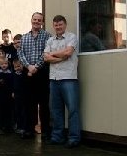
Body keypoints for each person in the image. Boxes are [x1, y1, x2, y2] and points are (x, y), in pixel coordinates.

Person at [43, 15, 81, 148]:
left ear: (65, 24)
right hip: (54, 79)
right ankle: (57, 137)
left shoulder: (72, 37)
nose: (58, 27)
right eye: (56, 25)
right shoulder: (50, 40)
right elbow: (46, 58)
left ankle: (74, 138)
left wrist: (53, 54)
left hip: (69, 78)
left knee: (72, 109)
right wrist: (60, 57)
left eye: (60, 24)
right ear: (53, 26)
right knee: (55, 110)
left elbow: (68, 53)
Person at [17, 12, 52, 140]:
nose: (36, 21)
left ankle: (45, 131)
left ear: (42, 22)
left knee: (44, 103)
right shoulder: (24, 37)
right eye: (34, 19)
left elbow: (46, 53)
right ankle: (29, 130)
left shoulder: (48, 36)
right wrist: (28, 66)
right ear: (31, 20)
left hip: (42, 73)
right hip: (27, 73)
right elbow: (20, 53)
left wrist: (36, 67)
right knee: (29, 103)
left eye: (39, 20)